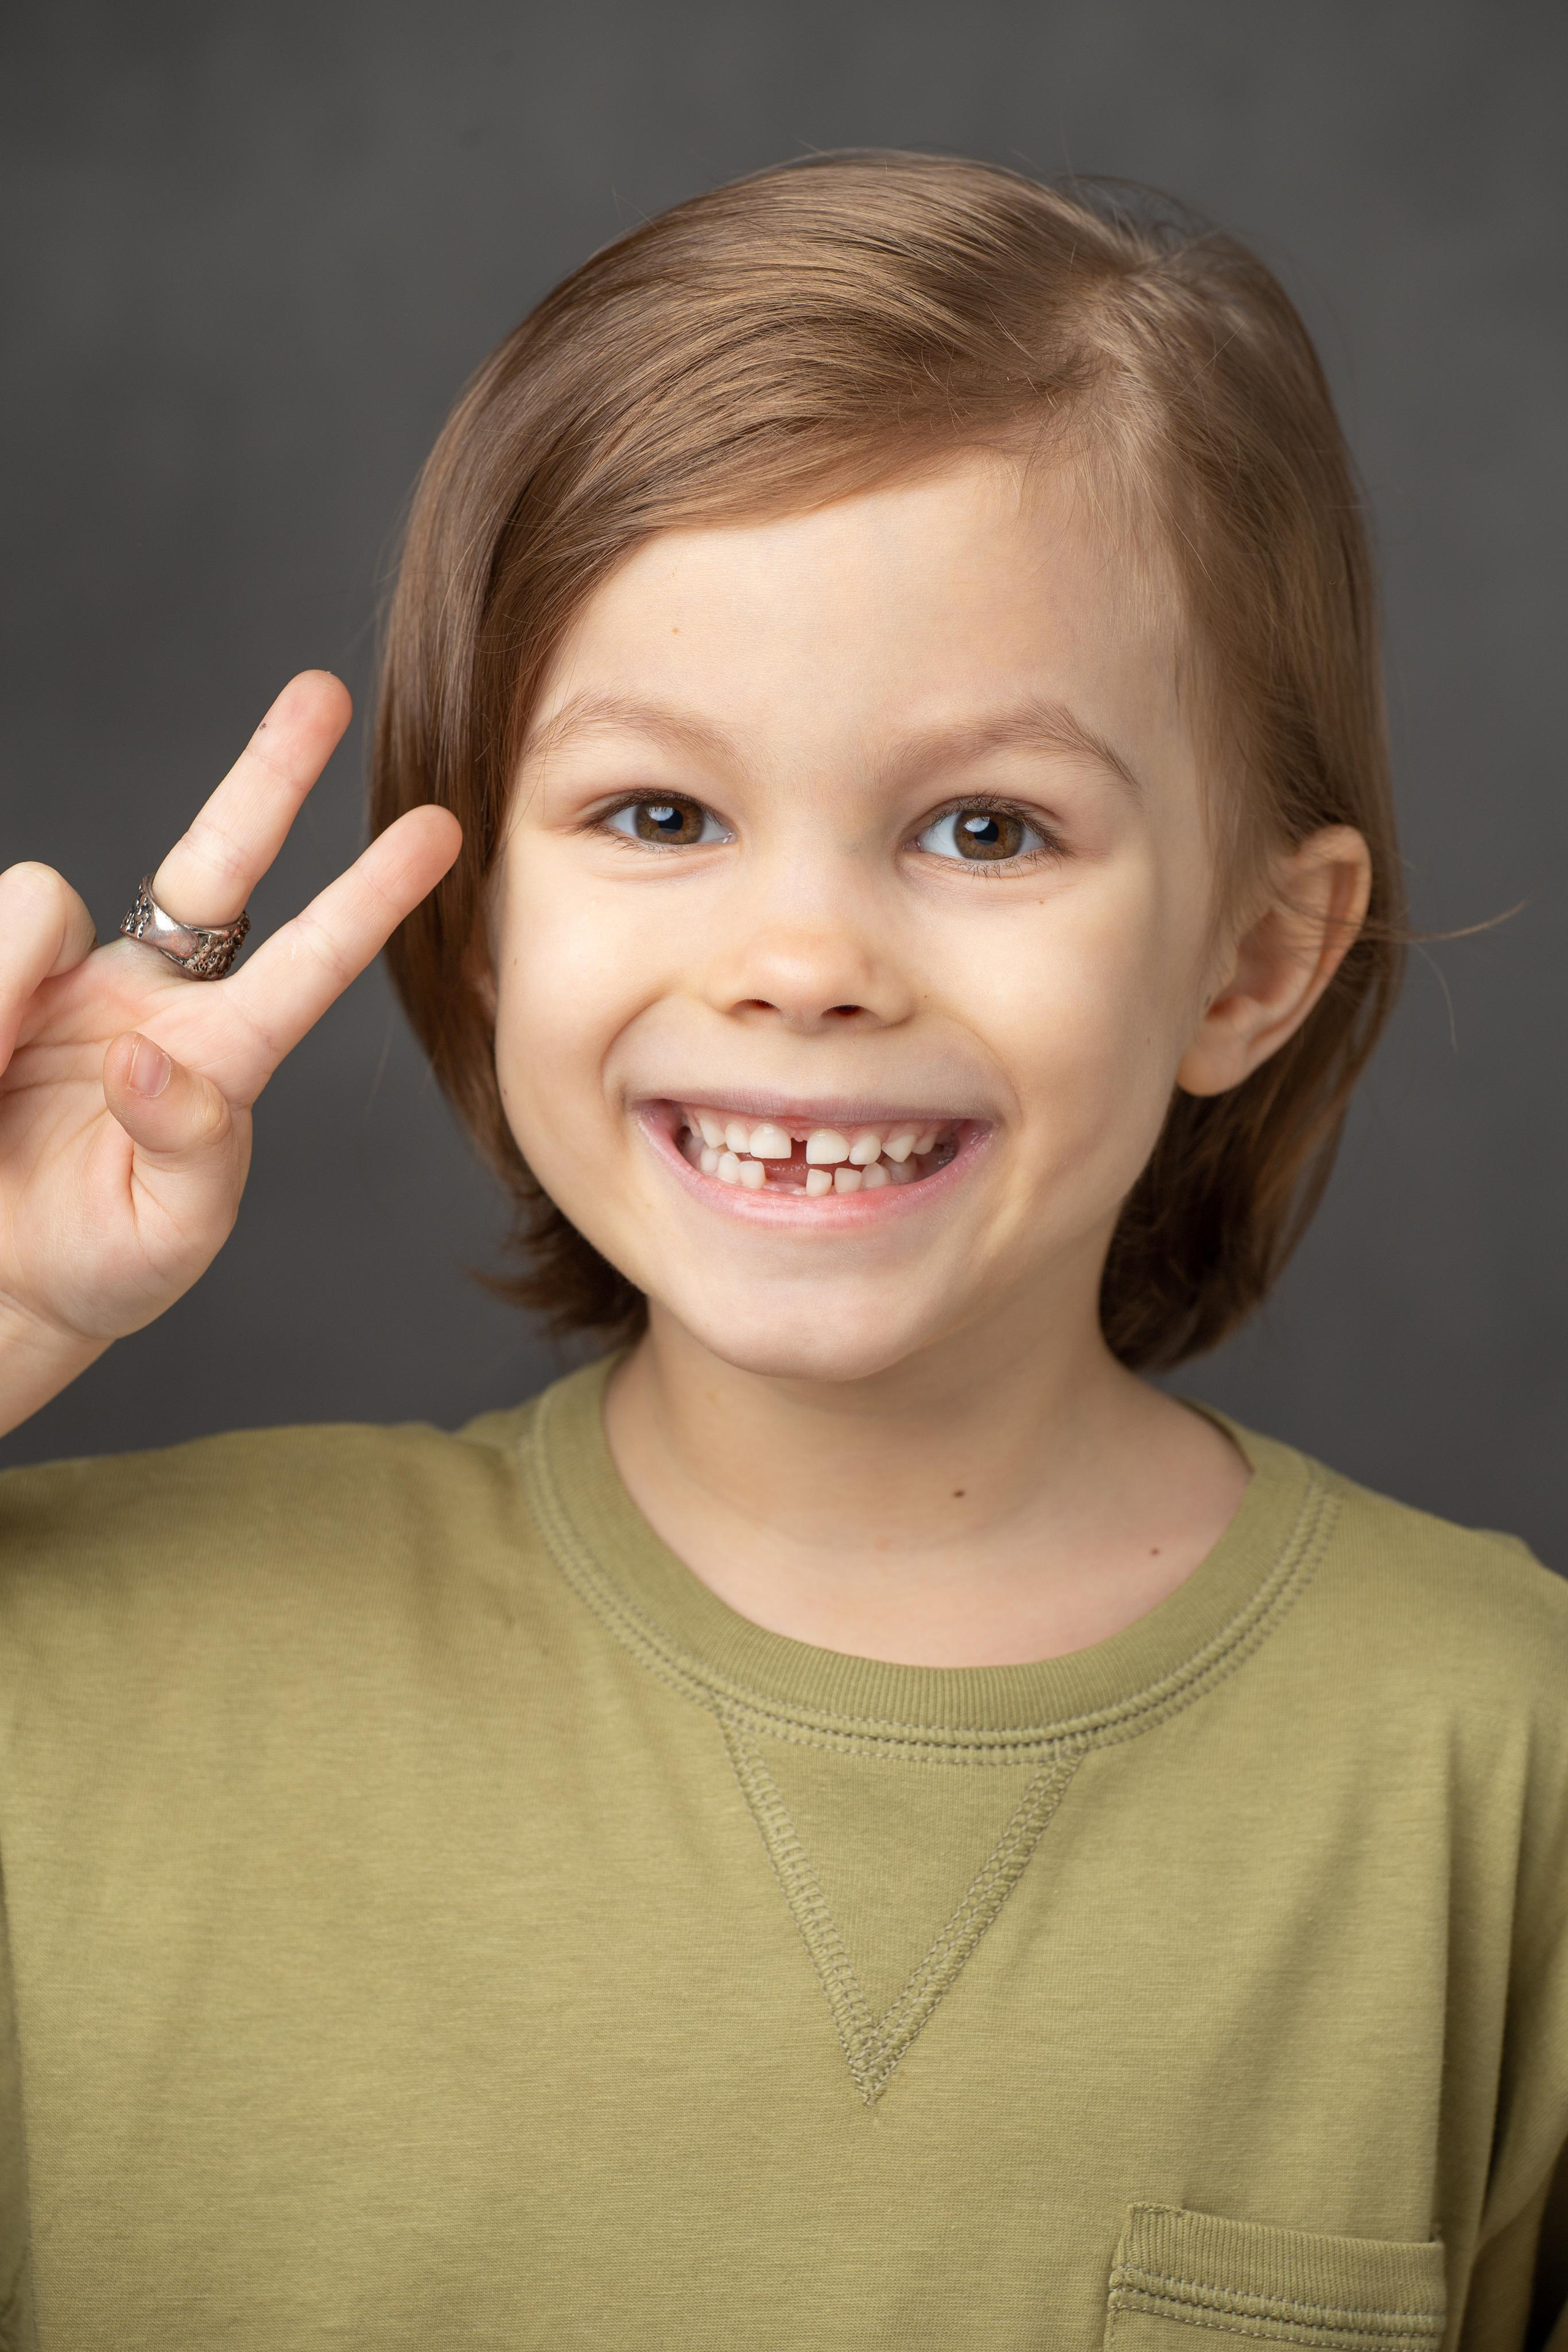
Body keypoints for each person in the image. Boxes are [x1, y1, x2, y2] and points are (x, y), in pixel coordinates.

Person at [0, 153, 1561, 2351]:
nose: (806, 959)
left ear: (1252, 958)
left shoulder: (1500, 1765)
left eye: (987, 827)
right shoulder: (67, 1674)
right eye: (659, 815)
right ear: (477, 912)